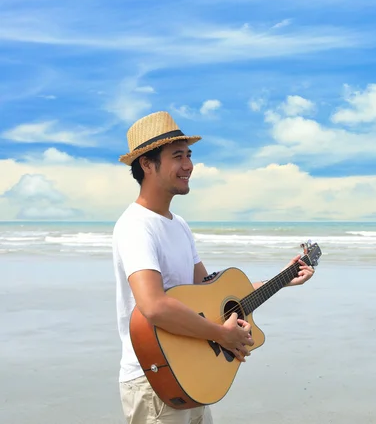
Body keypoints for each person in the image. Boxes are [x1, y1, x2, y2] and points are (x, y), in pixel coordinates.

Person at [112, 111, 315, 424]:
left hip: (193, 375)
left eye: (189, 155)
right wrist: (221, 334)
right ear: (147, 164)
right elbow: (153, 306)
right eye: (177, 156)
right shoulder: (136, 226)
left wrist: (283, 278)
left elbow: (211, 293)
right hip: (154, 381)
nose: (189, 166)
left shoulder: (178, 225)